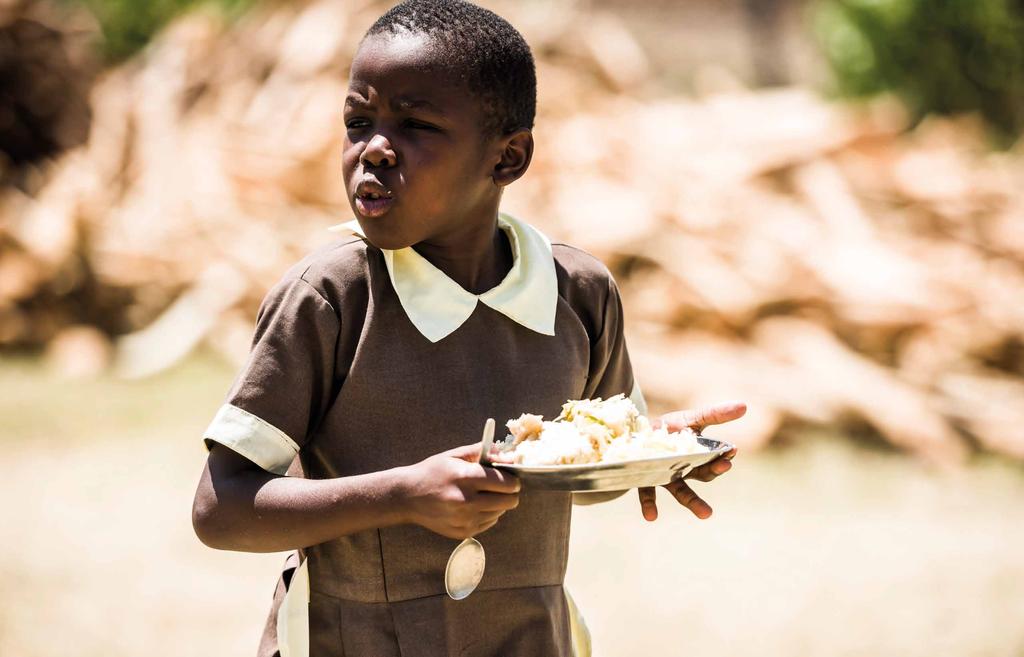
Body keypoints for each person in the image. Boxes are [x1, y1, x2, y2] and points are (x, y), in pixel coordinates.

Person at [190, 1, 743, 655]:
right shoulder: (330, 296)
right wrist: (403, 493)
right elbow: (220, 507)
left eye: (416, 125)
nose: (374, 149)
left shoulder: (577, 295)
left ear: (508, 158)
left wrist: (651, 460)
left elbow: (578, 474)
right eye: (357, 121)